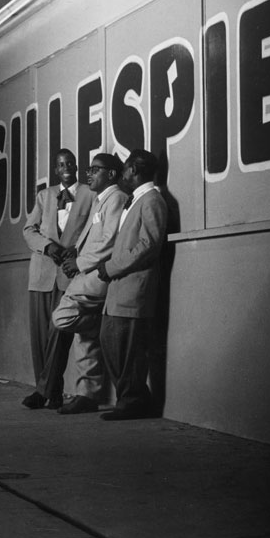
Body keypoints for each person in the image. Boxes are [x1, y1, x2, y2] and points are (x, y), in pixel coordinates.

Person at [51, 153, 129, 414]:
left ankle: (99, 325)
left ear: (112, 175)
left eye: (96, 170)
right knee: (83, 340)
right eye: (89, 169)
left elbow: (110, 243)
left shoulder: (116, 197)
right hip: (85, 274)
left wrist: (80, 263)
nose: (89, 174)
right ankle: (88, 394)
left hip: (95, 278)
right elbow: (94, 238)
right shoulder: (100, 199)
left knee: (62, 318)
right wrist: (75, 252)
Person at [96, 149, 168, 420]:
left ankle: (132, 402)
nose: (123, 174)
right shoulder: (137, 200)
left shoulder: (152, 200)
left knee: (126, 350)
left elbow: (148, 246)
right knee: (112, 342)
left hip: (133, 290)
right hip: (121, 289)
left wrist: (111, 267)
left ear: (135, 170)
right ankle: (135, 399)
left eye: (125, 169)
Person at [21, 149, 94, 409]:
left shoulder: (90, 193)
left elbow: (93, 229)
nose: (66, 167)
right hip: (41, 274)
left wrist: (77, 252)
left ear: (76, 165)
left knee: (59, 332)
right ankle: (52, 392)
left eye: (70, 163)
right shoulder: (44, 196)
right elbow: (28, 230)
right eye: (61, 164)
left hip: (69, 275)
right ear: (55, 169)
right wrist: (46, 246)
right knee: (41, 337)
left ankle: (42, 391)